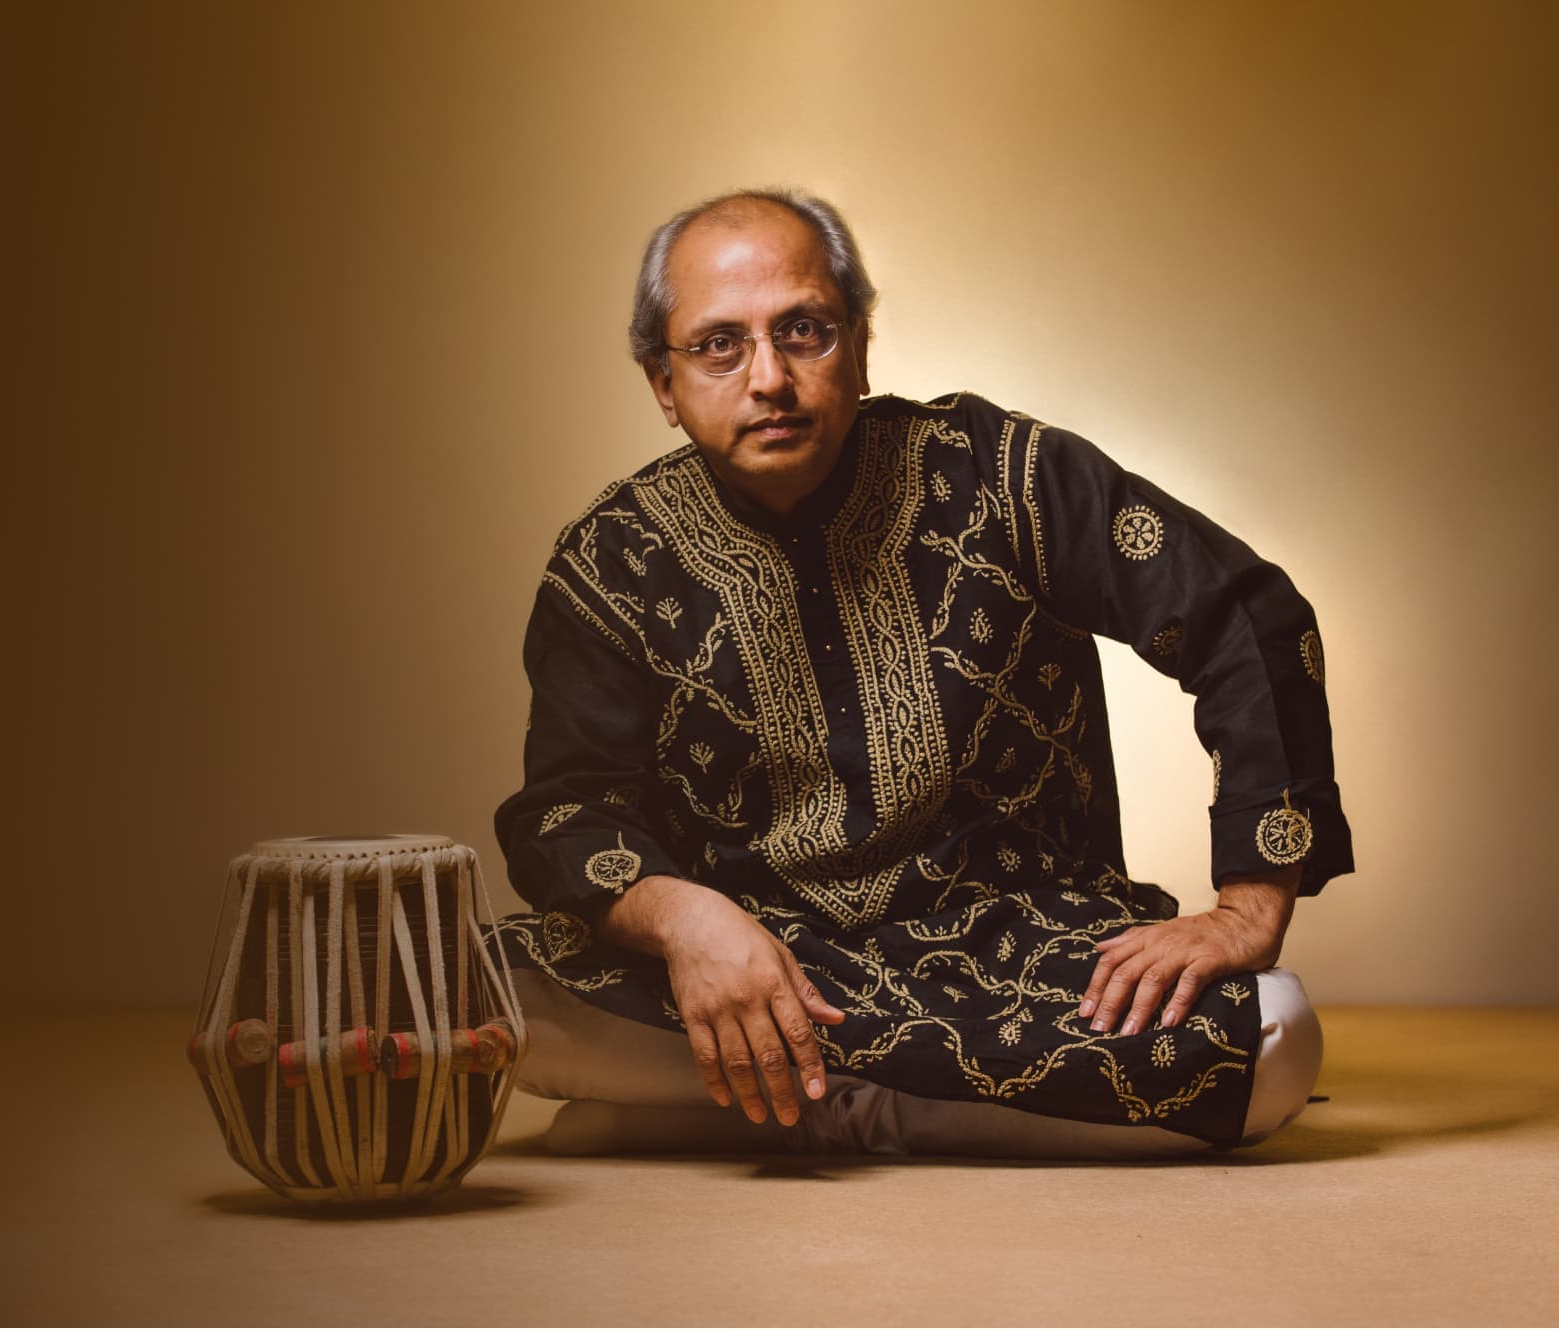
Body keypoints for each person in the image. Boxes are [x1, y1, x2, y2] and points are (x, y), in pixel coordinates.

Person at [489, 188, 1350, 1159]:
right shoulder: (611, 562)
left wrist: (1250, 905)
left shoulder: (1002, 474)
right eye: (719, 345)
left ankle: (777, 1103)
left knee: (1274, 1035)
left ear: (857, 344)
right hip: (753, 970)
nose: (767, 377)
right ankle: (908, 1104)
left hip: (1021, 964)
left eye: (802, 331)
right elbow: (565, 812)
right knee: (476, 991)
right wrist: (686, 923)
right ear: (661, 381)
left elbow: (1247, 617)